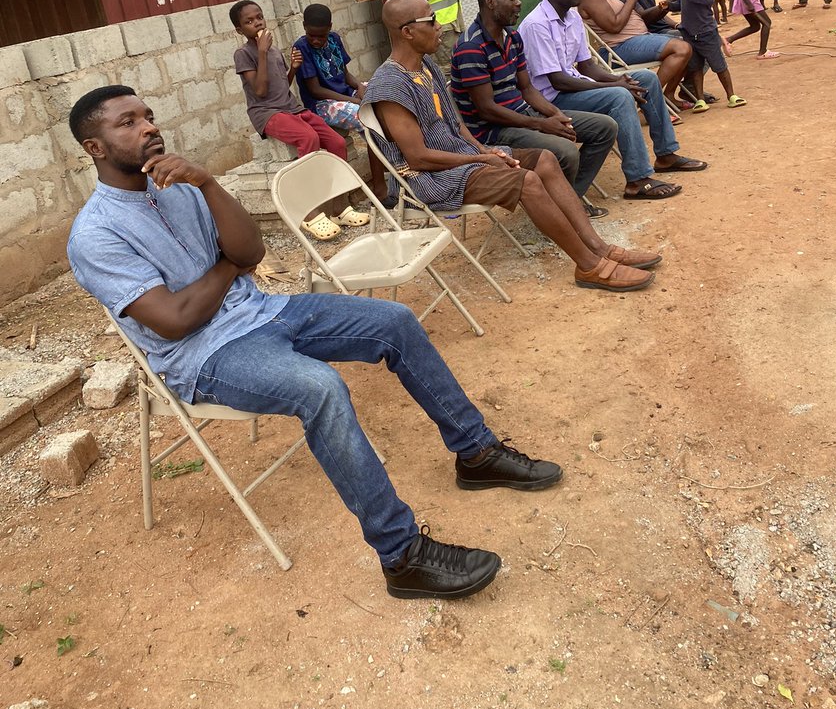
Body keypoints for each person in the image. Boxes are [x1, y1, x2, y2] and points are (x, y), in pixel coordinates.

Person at [66, 85, 566, 601]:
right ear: (95, 148)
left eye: (149, 115)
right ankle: (402, 556)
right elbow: (175, 320)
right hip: (203, 355)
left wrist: (209, 183)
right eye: (128, 123)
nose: (149, 127)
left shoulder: (182, 186)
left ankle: (476, 454)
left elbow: (252, 249)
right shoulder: (96, 234)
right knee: (320, 388)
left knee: (394, 321)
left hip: (262, 311)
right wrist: (230, 266)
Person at [364, 0, 662, 292]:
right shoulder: (391, 85)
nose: (440, 25)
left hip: (465, 160)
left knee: (545, 158)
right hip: (434, 178)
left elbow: (455, 124)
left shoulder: (425, 66)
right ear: (407, 31)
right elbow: (418, 158)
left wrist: (482, 150)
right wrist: (478, 159)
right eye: (431, 20)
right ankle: (589, 266)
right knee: (527, 180)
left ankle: (599, 248)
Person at [518, 0, 708, 201]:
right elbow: (558, 81)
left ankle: (666, 155)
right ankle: (637, 180)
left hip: (574, 88)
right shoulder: (537, 25)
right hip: (552, 100)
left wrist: (620, 79)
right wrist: (614, 85)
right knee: (618, 96)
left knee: (646, 78)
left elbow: (586, 66)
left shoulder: (572, 17)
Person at [450, 0, 617, 216]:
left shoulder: (512, 38)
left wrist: (556, 115)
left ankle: (567, 202)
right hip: (493, 130)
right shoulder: (471, 47)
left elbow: (527, 89)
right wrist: (540, 124)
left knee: (605, 127)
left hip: (523, 115)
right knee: (565, 150)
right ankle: (565, 211)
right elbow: (487, 110)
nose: (518, 3)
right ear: (490, 2)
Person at [230, 0, 369, 240]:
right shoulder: (244, 54)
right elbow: (261, 91)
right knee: (308, 137)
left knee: (336, 142)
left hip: (292, 108)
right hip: (267, 113)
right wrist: (261, 52)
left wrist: (293, 68)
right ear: (239, 30)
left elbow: (282, 83)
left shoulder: (273, 50)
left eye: (259, 17)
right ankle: (310, 213)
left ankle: (338, 206)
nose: (257, 23)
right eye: (249, 22)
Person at [570, 0, 692, 104]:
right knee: (682, 48)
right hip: (618, 48)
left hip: (636, 39)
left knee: (687, 42)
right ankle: (650, 98)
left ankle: (668, 95)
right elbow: (614, 26)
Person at [293, 2, 388, 201]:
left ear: (329, 27)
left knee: (385, 95)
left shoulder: (334, 39)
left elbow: (345, 75)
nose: (316, 40)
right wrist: (353, 99)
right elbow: (315, 90)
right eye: (312, 35)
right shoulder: (301, 47)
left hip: (345, 93)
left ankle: (391, 167)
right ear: (304, 27)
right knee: (366, 119)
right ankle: (379, 187)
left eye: (321, 35)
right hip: (322, 104)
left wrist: (361, 88)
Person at [669, 0, 746, 111]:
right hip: (690, 33)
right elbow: (683, 4)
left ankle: (731, 95)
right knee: (695, 68)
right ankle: (700, 99)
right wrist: (669, 6)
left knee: (719, 65)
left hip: (706, 32)